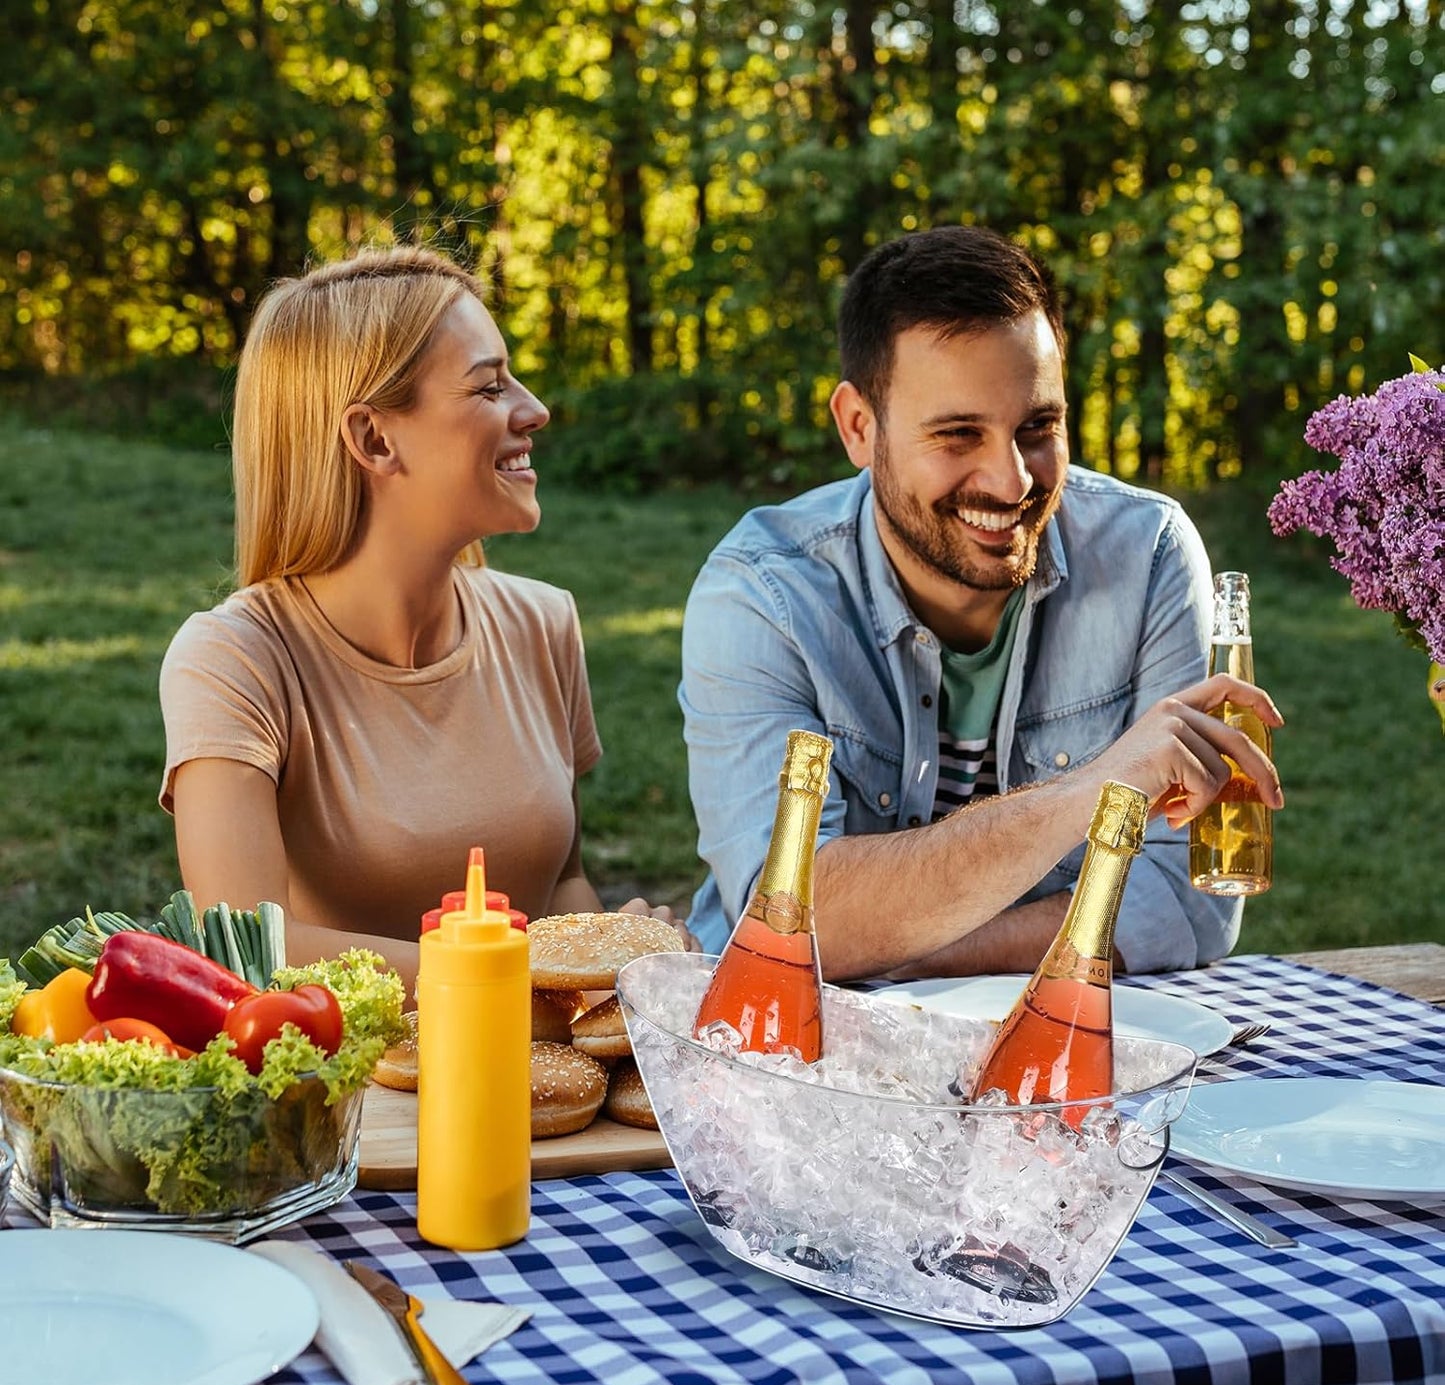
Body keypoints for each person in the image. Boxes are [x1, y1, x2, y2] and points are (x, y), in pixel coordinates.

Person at [680, 224, 1283, 981]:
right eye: (958, 434)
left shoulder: (1147, 554)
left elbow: (1181, 901)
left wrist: (889, 951)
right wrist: (1086, 793)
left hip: (1068, 1047)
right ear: (858, 426)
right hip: (789, 1050)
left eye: (1038, 428)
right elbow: (792, 913)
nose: (1012, 482)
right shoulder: (763, 592)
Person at [159, 245, 686, 999]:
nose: (533, 409)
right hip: (343, 1101)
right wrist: (508, 969)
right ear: (374, 438)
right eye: (488, 386)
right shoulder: (233, 658)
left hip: (525, 1088)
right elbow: (246, 950)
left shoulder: (543, 621)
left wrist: (610, 962)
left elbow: (563, 883)